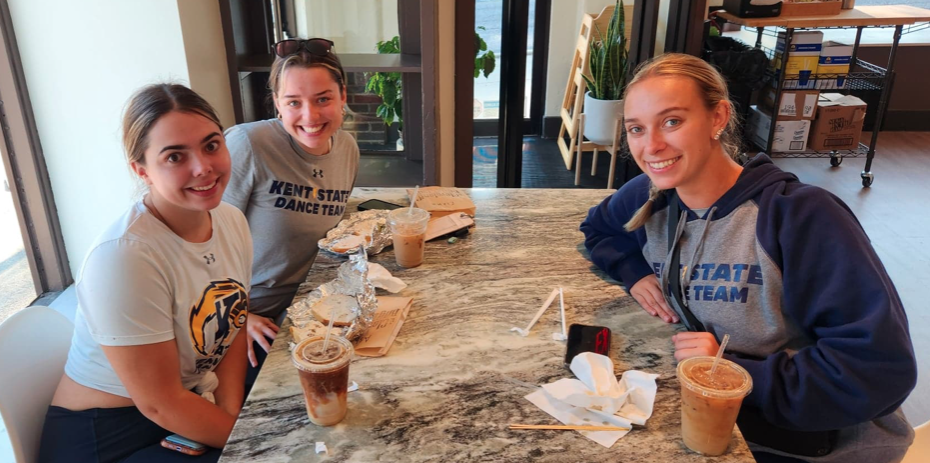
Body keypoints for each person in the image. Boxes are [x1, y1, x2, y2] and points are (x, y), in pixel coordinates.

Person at [580, 53, 916, 463]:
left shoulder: (798, 217)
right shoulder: (652, 196)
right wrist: (633, 273)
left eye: (672, 121)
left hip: (814, 443)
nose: (651, 146)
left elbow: (878, 371)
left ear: (718, 118)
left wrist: (730, 373)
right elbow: (598, 229)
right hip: (720, 425)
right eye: (636, 128)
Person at [39, 84, 252, 462]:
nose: (203, 167)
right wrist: (252, 440)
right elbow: (160, 404)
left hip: (185, 403)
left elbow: (232, 328)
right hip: (109, 435)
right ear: (142, 170)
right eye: (174, 157)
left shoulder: (231, 220)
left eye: (211, 145)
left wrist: (233, 414)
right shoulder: (124, 257)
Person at [222, 38, 360, 378]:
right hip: (250, 318)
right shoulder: (248, 145)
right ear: (277, 105)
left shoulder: (347, 148)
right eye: (293, 102)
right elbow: (198, 243)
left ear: (343, 96)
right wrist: (237, 319)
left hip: (313, 307)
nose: (309, 116)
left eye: (323, 99)